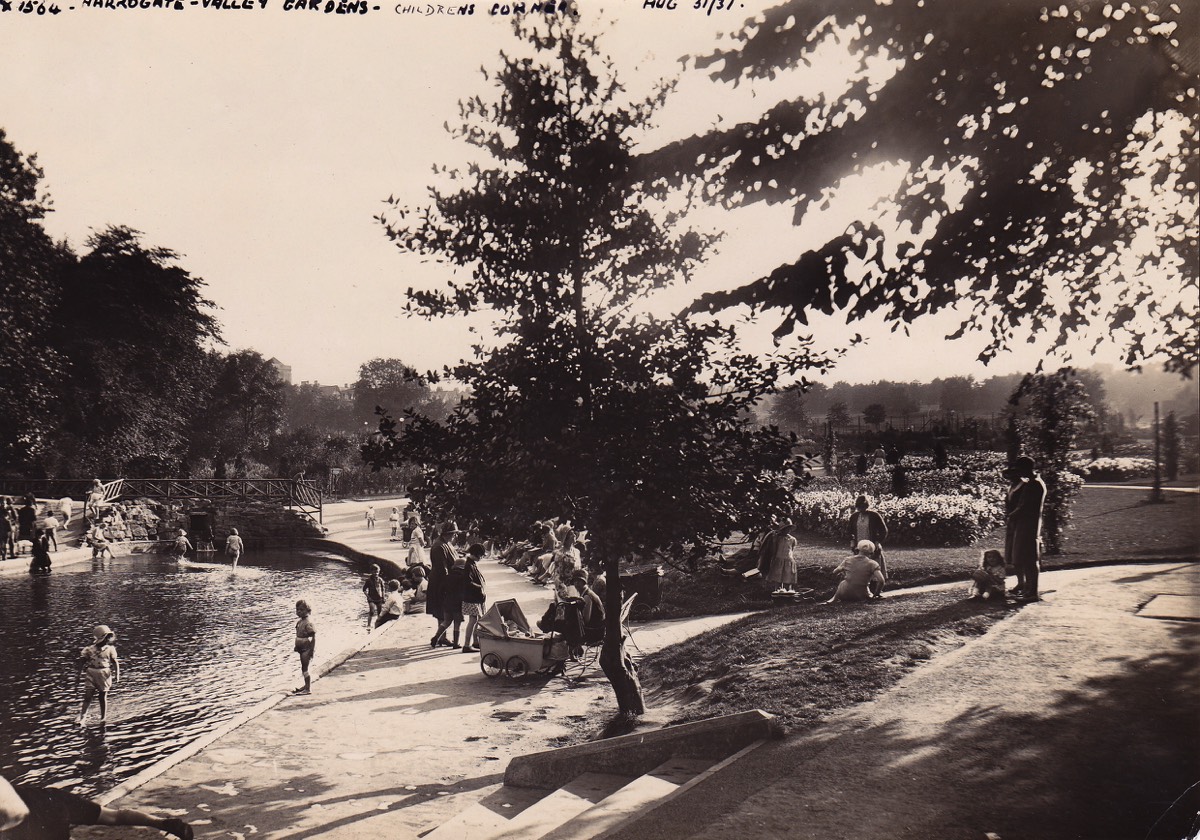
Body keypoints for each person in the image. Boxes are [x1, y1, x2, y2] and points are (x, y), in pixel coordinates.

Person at [0, 773, 193, 840]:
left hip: (34, 817)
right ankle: (165, 823)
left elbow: (17, 815)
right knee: (114, 816)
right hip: (51, 799)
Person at [1005, 455, 1047, 602]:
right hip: (1025, 524)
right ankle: (1028, 589)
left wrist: (1011, 516)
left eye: (1020, 469)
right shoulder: (1032, 483)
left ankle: (1032, 592)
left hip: (1029, 524)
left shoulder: (1034, 484)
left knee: (1029, 559)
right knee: (1025, 557)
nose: (1019, 473)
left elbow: (1024, 506)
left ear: (1027, 468)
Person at [77, 625, 119, 725]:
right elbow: (82, 662)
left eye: (108, 638)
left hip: (104, 674)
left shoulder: (110, 649)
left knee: (102, 696)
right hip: (91, 673)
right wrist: (78, 674)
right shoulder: (89, 649)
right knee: (88, 696)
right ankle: (83, 717)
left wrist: (117, 675)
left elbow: (114, 662)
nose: (106, 640)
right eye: (105, 638)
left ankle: (103, 717)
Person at [432, 545, 468, 650]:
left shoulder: (447, 577)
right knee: (457, 623)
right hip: (458, 604)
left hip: (447, 603)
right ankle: (456, 643)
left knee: (446, 622)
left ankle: (436, 637)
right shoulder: (463, 578)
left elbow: (441, 590)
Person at [427, 521, 459, 636]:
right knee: (441, 610)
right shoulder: (439, 546)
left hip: (444, 581)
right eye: (454, 533)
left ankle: (441, 636)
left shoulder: (446, 544)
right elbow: (442, 569)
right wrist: (449, 583)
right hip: (440, 583)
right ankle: (441, 637)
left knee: (443, 610)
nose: (455, 536)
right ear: (448, 534)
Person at [847, 495, 889, 581]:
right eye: (859, 507)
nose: (861, 509)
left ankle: (875, 589)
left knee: (874, 568)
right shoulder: (854, 517)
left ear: (867, 506)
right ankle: (863, 590)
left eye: (863, 507)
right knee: (861, 568)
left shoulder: (874, 515)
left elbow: (884, 530)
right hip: (859, 547)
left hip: (872, 546)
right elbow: (849, 530)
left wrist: (878, 541)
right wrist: (852, 541)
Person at [460, 544, 487, 653]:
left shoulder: (471, 564)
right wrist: (480, 587)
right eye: (481, 555)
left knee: (477, 619)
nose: (481, 558)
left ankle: (475, 642)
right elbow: (467, 582)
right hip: (472, 598)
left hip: (474, 598)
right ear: (476, 555)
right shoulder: (468, 566)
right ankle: (467, 645)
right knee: (473, 620)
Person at [766, 521, 799, 596]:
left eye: (788, 529)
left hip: (788, 559)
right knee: (778, 577)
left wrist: (791, 558)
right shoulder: (777, 539)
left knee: (788, 577)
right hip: (779, 559)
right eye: (785, 529)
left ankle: (787, 593)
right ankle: (778, 593)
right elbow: (774, 549)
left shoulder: (792, 539)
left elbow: (792, 549)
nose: (787, 531)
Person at [293, 600, 316, 695]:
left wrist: (311, 650)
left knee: (305, 668)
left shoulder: (308, 623)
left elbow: (312, 637)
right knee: (303, 668)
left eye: (301, 610)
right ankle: (306, 685)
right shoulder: (300, 622)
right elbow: (298, 634)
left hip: (306, 649)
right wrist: (296, 646)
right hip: (301, 648)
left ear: (307, 610)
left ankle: (308, 688)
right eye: (297, 610)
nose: (299, 612)